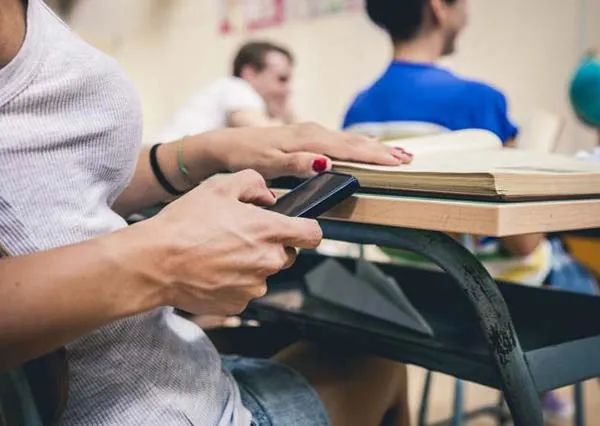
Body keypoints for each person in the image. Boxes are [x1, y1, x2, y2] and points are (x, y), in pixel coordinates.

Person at [0, 0, 414, 424]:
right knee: (379, 358)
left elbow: (48, 182)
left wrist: (200, 152)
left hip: (157, 369)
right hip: (143, 406)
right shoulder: (236, 92)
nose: (286, 87)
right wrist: (160, 262)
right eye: (281, 78)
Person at [343, 0, 598, 420]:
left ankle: (535, 388)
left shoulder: (357, 110)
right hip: (493, 290)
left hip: (410, 285)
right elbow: (521, 243)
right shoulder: (477, 100)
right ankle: (542, 391)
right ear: (438, 8)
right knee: (574, 274)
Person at [156, 41, 296, 142]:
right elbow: (267, 135)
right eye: (282, 79)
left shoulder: (226, 89)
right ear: (250, 74)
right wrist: (286, 115)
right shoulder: (237, 88)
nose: (288, 89)